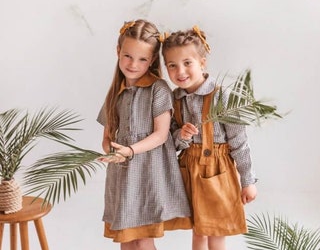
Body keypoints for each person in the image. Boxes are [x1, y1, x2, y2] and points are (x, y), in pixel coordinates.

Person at [97, 19, 191, 250]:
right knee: (126, 237)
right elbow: (107, 137)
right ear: (118, 51)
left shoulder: (158, 89)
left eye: (142, 59)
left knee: (142, 237)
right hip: (122, 174)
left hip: (149, 172)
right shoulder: (115, 92)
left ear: (151, 61)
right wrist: (112, 151)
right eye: (128, 56)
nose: (133, 64)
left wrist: (129, 150)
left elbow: (160, 135)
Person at [161, 26, 257, 250]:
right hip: (190, 169)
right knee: (198, 230)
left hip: (218, 170)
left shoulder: (222, 96)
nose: (180, 71)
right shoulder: (174, 98)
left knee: (216, 229)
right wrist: (181, 135)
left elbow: (239, 143)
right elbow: (169, 142)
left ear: (202, 62)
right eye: (172, 65)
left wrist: (248, 181)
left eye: (187, 63)